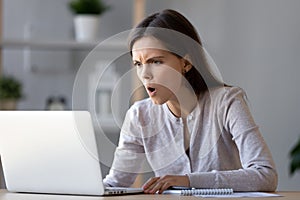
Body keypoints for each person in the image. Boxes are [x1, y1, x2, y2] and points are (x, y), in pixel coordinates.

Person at [103, 9, 278, 194]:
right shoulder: (139, 115)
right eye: (138, 64)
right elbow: (116, 184)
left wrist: (187, 181)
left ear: (186, 63)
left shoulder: (227, 102)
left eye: (156, 62)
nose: (145, 75)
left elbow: (265, 175)